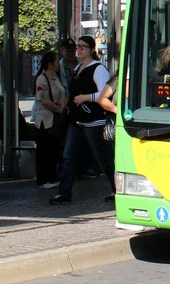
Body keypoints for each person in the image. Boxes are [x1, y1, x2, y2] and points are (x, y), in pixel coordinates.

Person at [50, 36, 115, 204]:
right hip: (77, 120)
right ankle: (64, 193)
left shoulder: (98, 69)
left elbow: (105, 93)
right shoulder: (79, 67)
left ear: (92, 50)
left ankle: (117, 190)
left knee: (102, 157)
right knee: (68, 155)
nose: (78, 49)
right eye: (78, 46)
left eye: (82, 47)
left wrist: (85, 97)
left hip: (93, 120)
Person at [33, 51, 68, 189]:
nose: (58, 64)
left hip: (56, 119)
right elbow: (43, 100)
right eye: (56, 61)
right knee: (44, 150)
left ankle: (52, 176)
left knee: (54, 149)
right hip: (45, 120)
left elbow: (62, 93)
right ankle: (43, 179)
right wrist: (59, 109)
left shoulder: (55, 77)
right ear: (50, 64)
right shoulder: (42, 79)